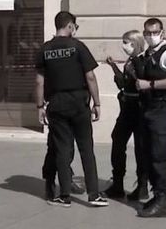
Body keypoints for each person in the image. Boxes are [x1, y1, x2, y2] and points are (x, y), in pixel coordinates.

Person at [35, 11, 108, 208]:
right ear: (69, 26)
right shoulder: (78, 47)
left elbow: (39, 82)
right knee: (86, 149)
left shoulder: (45, 49)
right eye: (75, 26)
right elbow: (90, 77)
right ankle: (94, 195)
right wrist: (97, 103)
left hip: (56, 104)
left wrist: (40, 106)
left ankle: (64, 196)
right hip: (78, 103)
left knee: (62, 150)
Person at [134, 18, 166, 218]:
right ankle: (156, 195)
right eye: (147, 32)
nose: (150, 36)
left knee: (159, 155)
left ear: (162, 33)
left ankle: (163, 200)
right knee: (148, 154)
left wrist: (151, 85)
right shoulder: (147, 54)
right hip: (148, 108)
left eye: (154, 32)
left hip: (162, 109)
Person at [102, 30, 149, 201]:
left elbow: (140, 80)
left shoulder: (141, 60)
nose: (124, 46)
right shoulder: (131, 61)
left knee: (140, 147)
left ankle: (142, 185)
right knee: (118, 140)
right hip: (127, 106)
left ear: (135, 43)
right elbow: (124, 83)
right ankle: (118, 183)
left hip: (138, 107)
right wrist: (114, 66)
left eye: (127, 42)